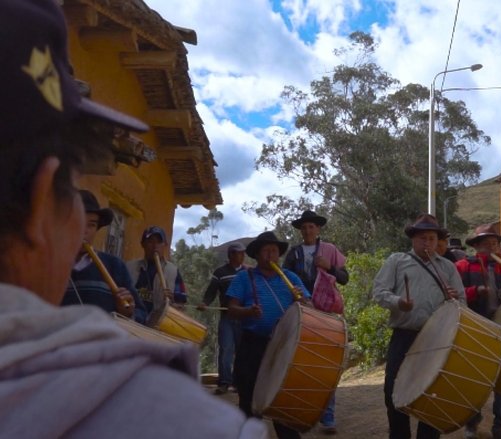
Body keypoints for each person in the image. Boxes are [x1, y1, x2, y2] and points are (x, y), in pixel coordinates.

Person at [0, 1, 269, 437]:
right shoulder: (189, 426)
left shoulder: (143, 269)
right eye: (73, 187)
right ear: (41, 200)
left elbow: (170, 300)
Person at [373, 214, 466, 439]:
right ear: (413, 239)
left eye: (432, 238)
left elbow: (462, 303)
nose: (427, 243)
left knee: (433, 392)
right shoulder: (397, 261)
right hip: (404, 335)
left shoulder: (447, 267)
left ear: (437, 240)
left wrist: (452, 300)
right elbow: (379, 292)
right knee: (393, 390)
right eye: (422, 238)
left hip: (436, 338)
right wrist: (399, 303)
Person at [227, 231, 311, 439]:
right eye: (266, 251)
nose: (271, 255)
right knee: (249, 397)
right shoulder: (244, 278)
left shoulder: (290, 277)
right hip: (252, 344)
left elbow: (309, 307)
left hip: (284, 345)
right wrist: (248, 312)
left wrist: (302, 301)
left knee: (282, 398)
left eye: (274, 251)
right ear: (257, 255)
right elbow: (231, 309)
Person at [282, 210, 348, 434]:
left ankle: (328, 417)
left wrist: (329, 267)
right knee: (300, 363)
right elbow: (285, 279)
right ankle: (303, 412)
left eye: (311, 226)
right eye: (304, 227)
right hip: (302, 313)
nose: (308, 230)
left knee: (326, 363)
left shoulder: (330, 250)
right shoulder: (294, 253)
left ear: (318, 229)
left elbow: (345, 278)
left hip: (326, 314)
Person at [455, 223, 501, 439]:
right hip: (476, 328)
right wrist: (476, 291)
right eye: (487, 244)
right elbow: (455, 294)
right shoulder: (463, 266)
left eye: (494, 243)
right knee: (475, 379)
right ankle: (472, 423)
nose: (492, 247)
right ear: (476, 246)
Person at [61, 190, 147, 323]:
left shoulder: (115, 266)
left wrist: (127, 313)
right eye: (78, 222)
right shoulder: (48, 265)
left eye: (91, 225)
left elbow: (141, 314)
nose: (84, 231)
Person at [198, 242, 247, 395]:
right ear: (231, 255)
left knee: (242, 352)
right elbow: (211, 292)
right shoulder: (220, 272)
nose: (242, 256)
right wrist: (205, 303)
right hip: (226, 317)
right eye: (239, 253)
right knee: (226, 349)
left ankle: (239, 383)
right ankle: (224, 382)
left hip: (244, 317)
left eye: (243, 253)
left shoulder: (248, 272)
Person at [126, 225, 187, 321]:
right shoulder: (129, 267)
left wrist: (172, 302)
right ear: (143, 244)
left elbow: (181, 306)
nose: (155, 246)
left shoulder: (173, 271)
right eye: (150, 242)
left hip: (157, 325)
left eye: (159, 242)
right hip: (129, 320)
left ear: (165, 245)